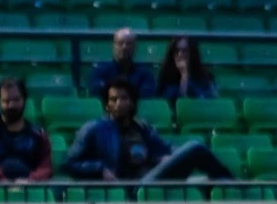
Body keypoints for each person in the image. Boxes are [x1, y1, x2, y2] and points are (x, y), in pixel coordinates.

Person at [65, 78, 233, 182]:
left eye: (124, 98)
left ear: (132, 102)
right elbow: (70, 163)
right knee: (196, 146)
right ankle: (234, 185)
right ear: (107, 104)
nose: (118, 104)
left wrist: (168, 157)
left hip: (154, 176)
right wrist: (100, 168)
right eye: (113, 99)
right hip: (132, 185)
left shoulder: (142, 127)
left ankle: (230, 186)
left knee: (205, 179)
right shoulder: (94, 128)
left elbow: (167, 148)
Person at [0, 78, 53, 183]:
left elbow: (45, 166)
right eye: (6, 101)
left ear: (24, 100)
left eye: (16, 100)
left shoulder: (38, 135)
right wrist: (0, 178)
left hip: (28, 184)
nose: (11, 105)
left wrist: (30, 180)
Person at [85, 27, 157, 103]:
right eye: (120, 43)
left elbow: (147, 95)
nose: (124, 47)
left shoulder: (145, 73)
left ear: (135, 47)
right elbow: (97, 92)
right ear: (113, 46)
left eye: (129, 44)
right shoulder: (99, 71)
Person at [156, 37, 217, 102]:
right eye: (176, 51)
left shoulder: (205, 77)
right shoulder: (165, 77)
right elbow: (168, 102)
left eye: (184, 51)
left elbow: (206, 101)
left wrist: (185, 75)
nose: (180, 54)